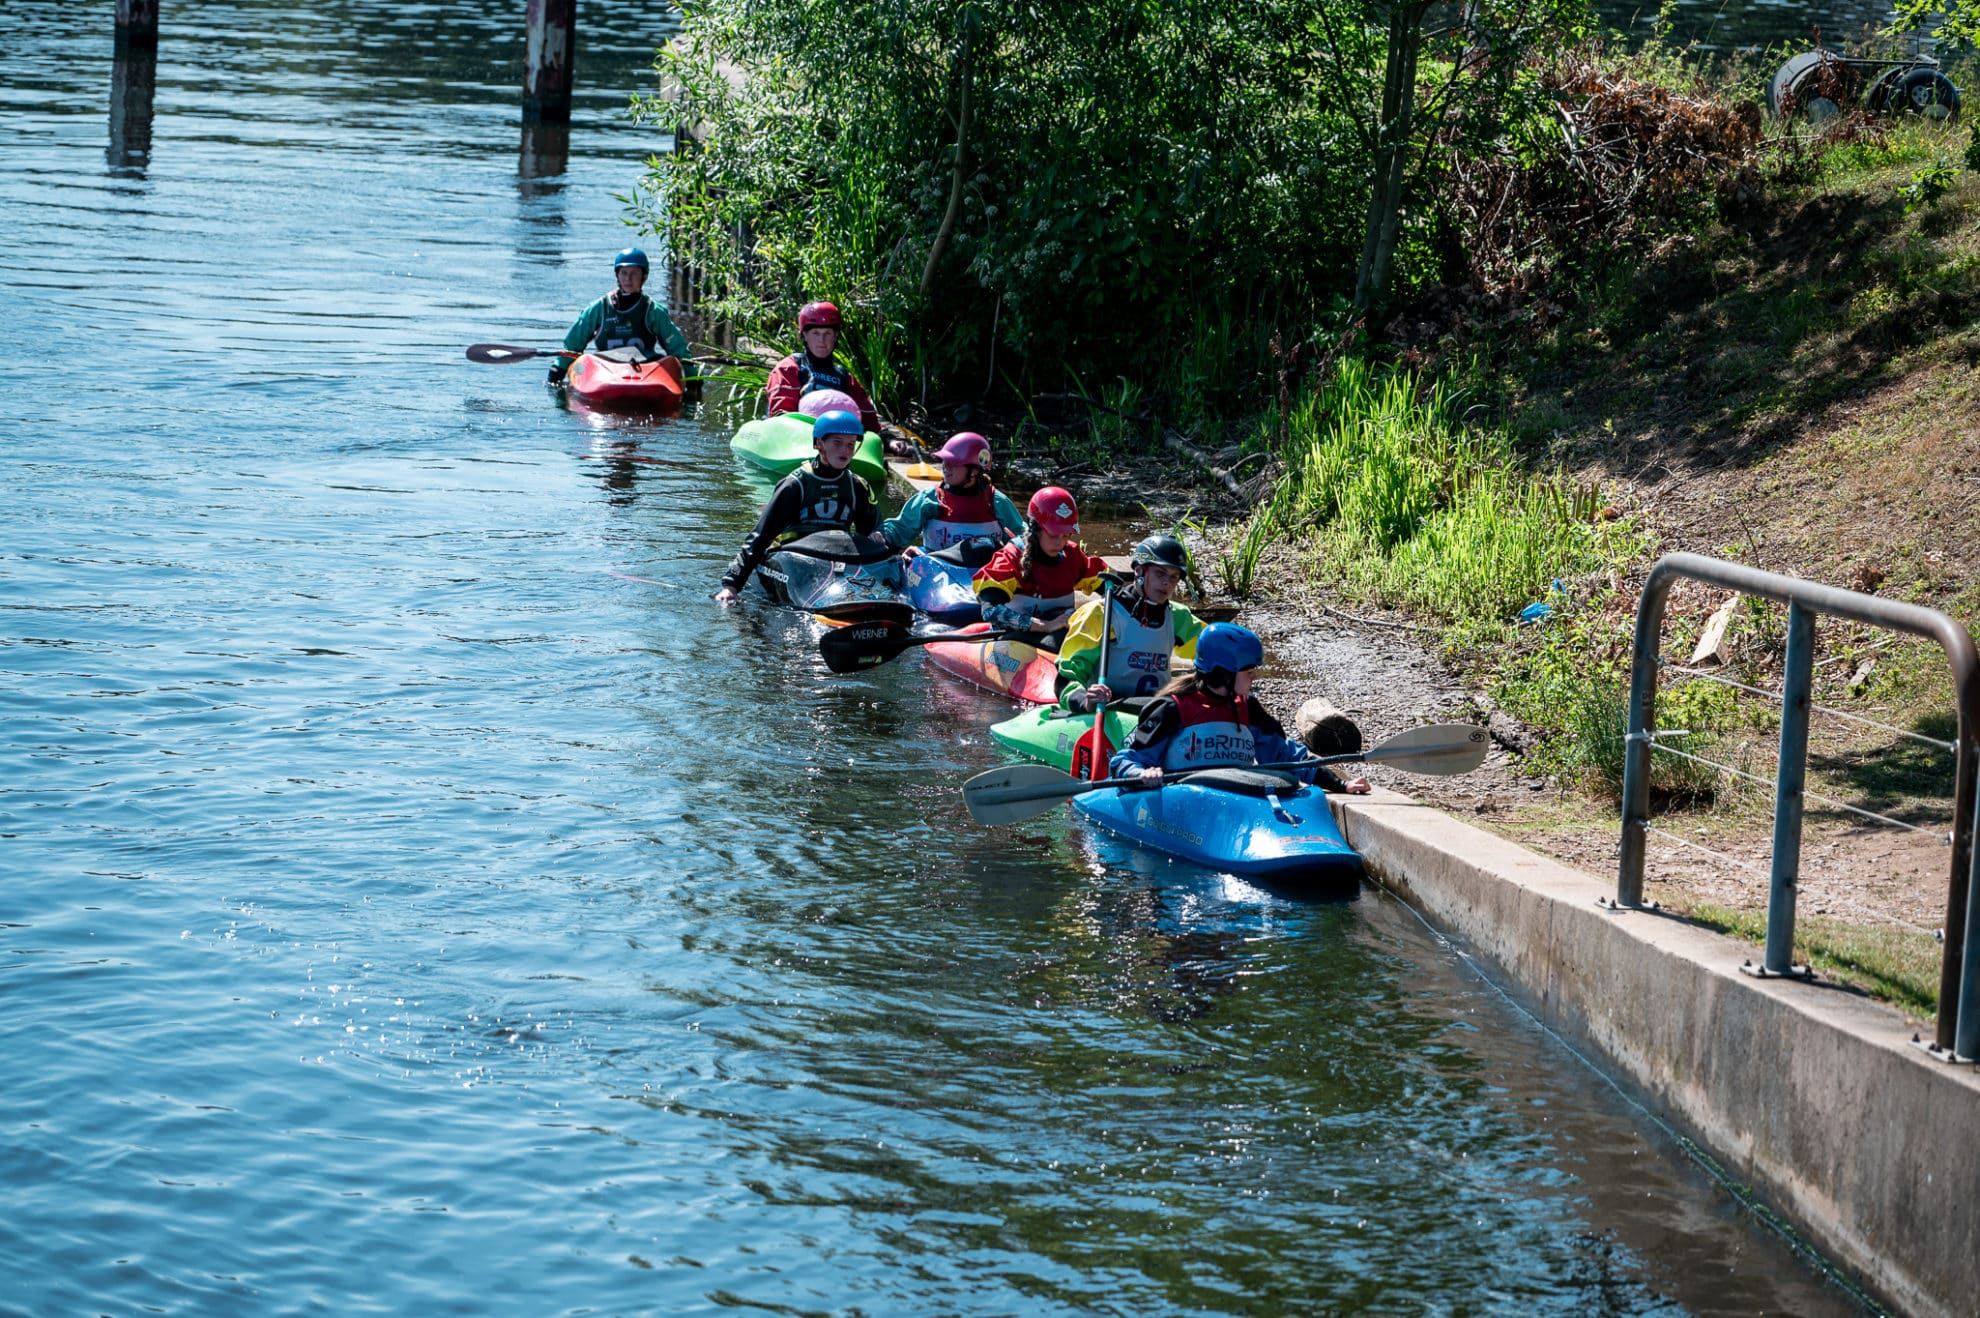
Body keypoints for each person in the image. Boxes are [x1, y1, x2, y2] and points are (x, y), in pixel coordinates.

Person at [1110, 623, 1372, 793]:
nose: (1254, 677)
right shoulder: (1172, 709)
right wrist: (1141, 773)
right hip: (1185, 801)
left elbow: (1287, 757)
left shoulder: (1249, 709)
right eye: (1248, 671)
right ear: (1222, 673)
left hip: (1236, 800)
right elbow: (1124, 761)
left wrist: (1340, 784)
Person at [715, 411, 879, 603]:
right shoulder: (794, 485)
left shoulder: (857, 486)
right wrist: (731, 585)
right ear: (819, 443)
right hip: (793, 563)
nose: (845, 450)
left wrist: (888, 545)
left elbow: (873, 534)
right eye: (837, 442)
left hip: (834, 563)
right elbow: (761, 535)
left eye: (851, 444)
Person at [1055, 533, 1207, 713]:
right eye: (1160, 573)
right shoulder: (1101, 614)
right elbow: (1065, 679)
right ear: (1139, 572)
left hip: (1156, 712)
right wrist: (1084, 700)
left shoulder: (1178, 617)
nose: (1167, 583)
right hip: (1109, 710)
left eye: (1174, 577)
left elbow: (1214, 653)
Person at [971, 487, 1111, 650]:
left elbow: (1109, 588)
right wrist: (1045, 625)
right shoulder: (1010, 558)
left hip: (1058, 637)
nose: (1060, 543)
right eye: (1053, 535)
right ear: (1035, 530)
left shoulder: (1073, 556)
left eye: (1065, 535)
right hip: (1013, 639)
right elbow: (990, 611)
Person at [549, 248, 692, 385]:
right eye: (624, 273)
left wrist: (691, 374)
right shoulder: (599, 308)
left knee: (668, 361)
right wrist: (559, 368)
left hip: (644, 370)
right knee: (583, 360)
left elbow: (677, 347)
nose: (628, 279)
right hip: (605, 369)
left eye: (634, 273)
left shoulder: (653, 311)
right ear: (617, 275)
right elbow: (574, 343)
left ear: (644, 276)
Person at [881, 432, 1025, 553]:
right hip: (939, 576)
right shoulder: (930, 499)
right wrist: (881, 536)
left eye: (953, 463)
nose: (945, 467)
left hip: (983, 576)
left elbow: (1022, 537)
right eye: (945, 461)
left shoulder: (996, 502)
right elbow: (899, 530)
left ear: (974, 470)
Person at [764, 301, 881, 433]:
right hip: (797, 436)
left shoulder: (844, 377)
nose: (822, 340)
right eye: (816, 333)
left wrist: (887, 439)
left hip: (838, 441)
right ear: (804, 335)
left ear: (835, 336)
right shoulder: (788, 368)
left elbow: (869, 421)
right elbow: (782, 414)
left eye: (827, 333)